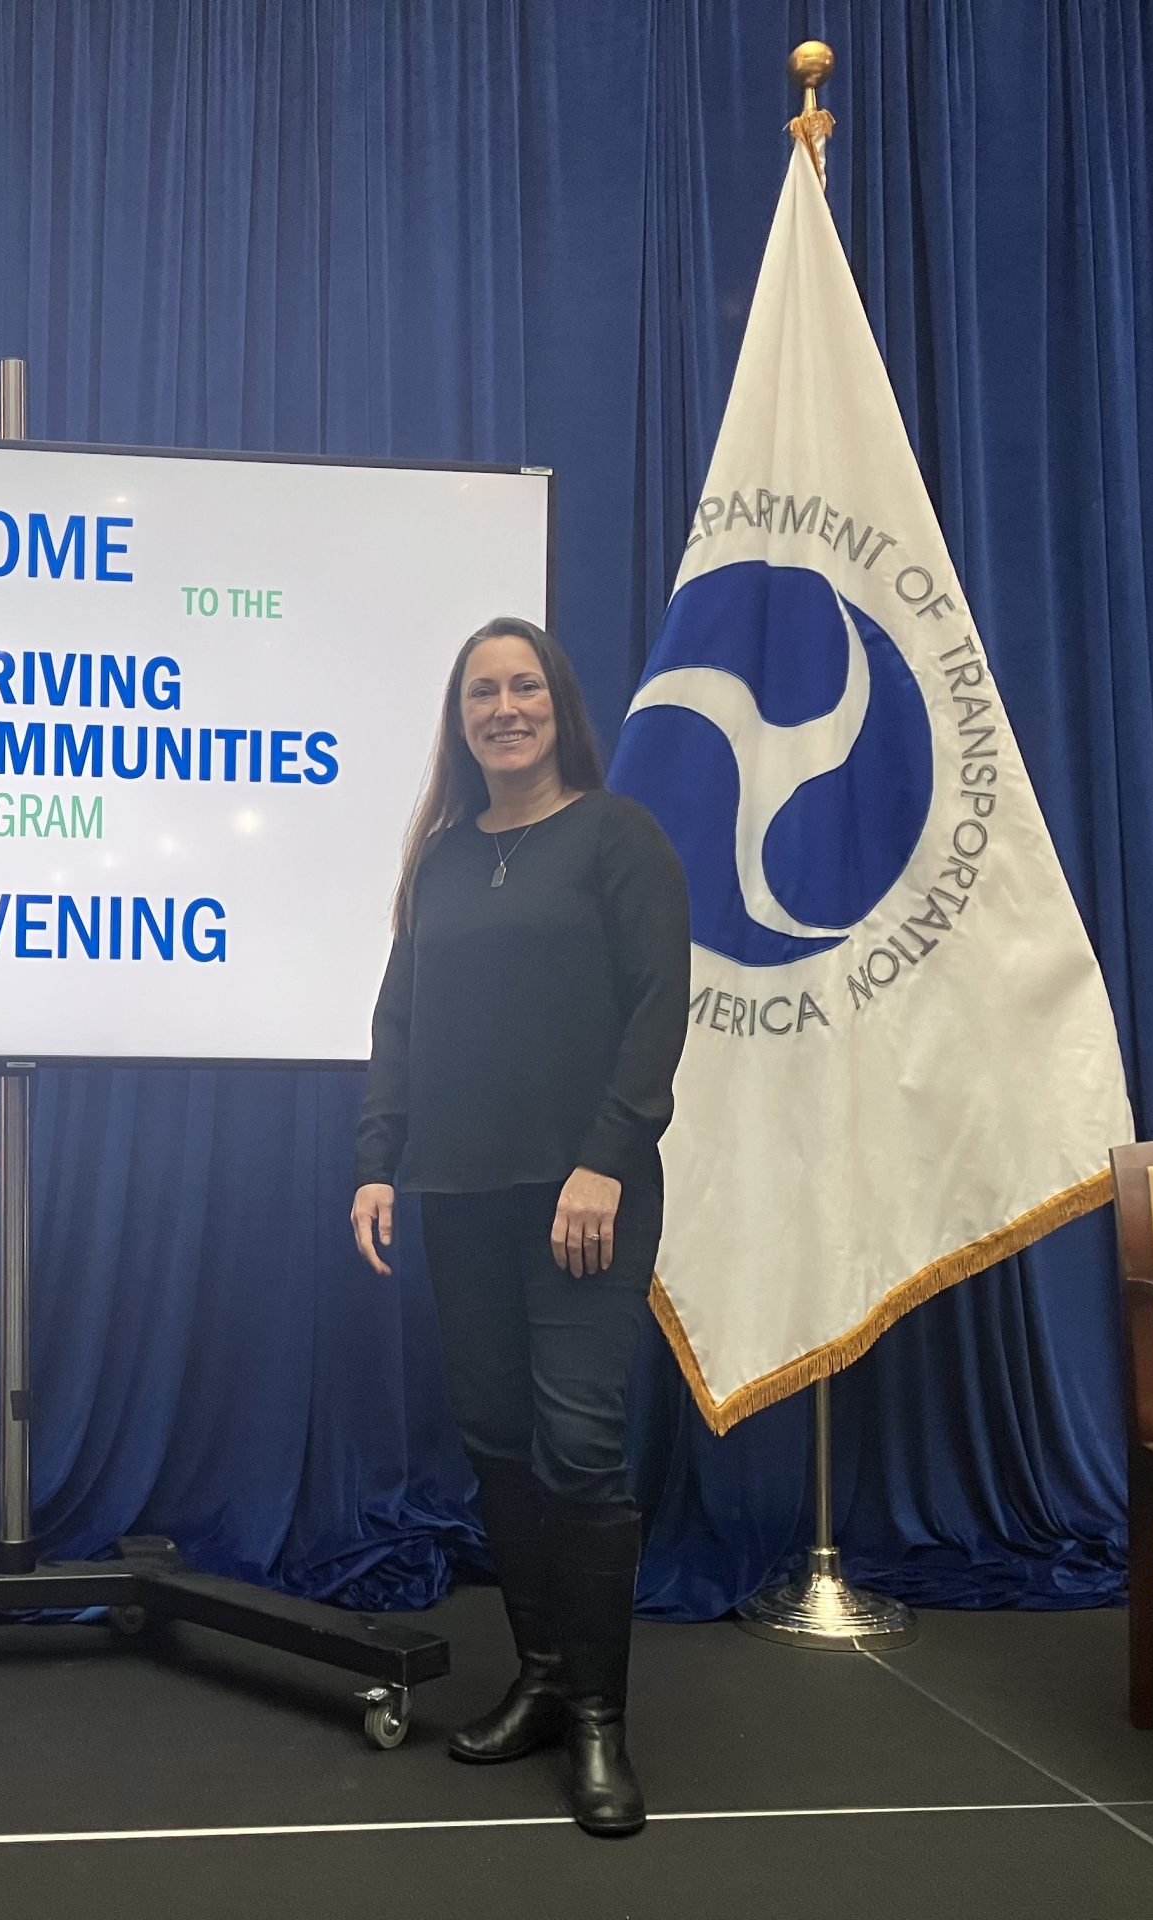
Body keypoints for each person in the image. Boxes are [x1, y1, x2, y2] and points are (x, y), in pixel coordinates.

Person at [350, 615, 688, 1838]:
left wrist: (604, 1160)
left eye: (524, 687)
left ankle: (598, 1719)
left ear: (559, 706)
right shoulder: (439, 859)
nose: (504, 707)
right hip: (456, 1194)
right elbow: (401, 1023)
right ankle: (541, 1675)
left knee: (580, 1448)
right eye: (482, 691)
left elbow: (658, 1010)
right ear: (461, 720)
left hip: (583, 1200)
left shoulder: (616, 837)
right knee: (496, 1435)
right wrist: (376, 1162)